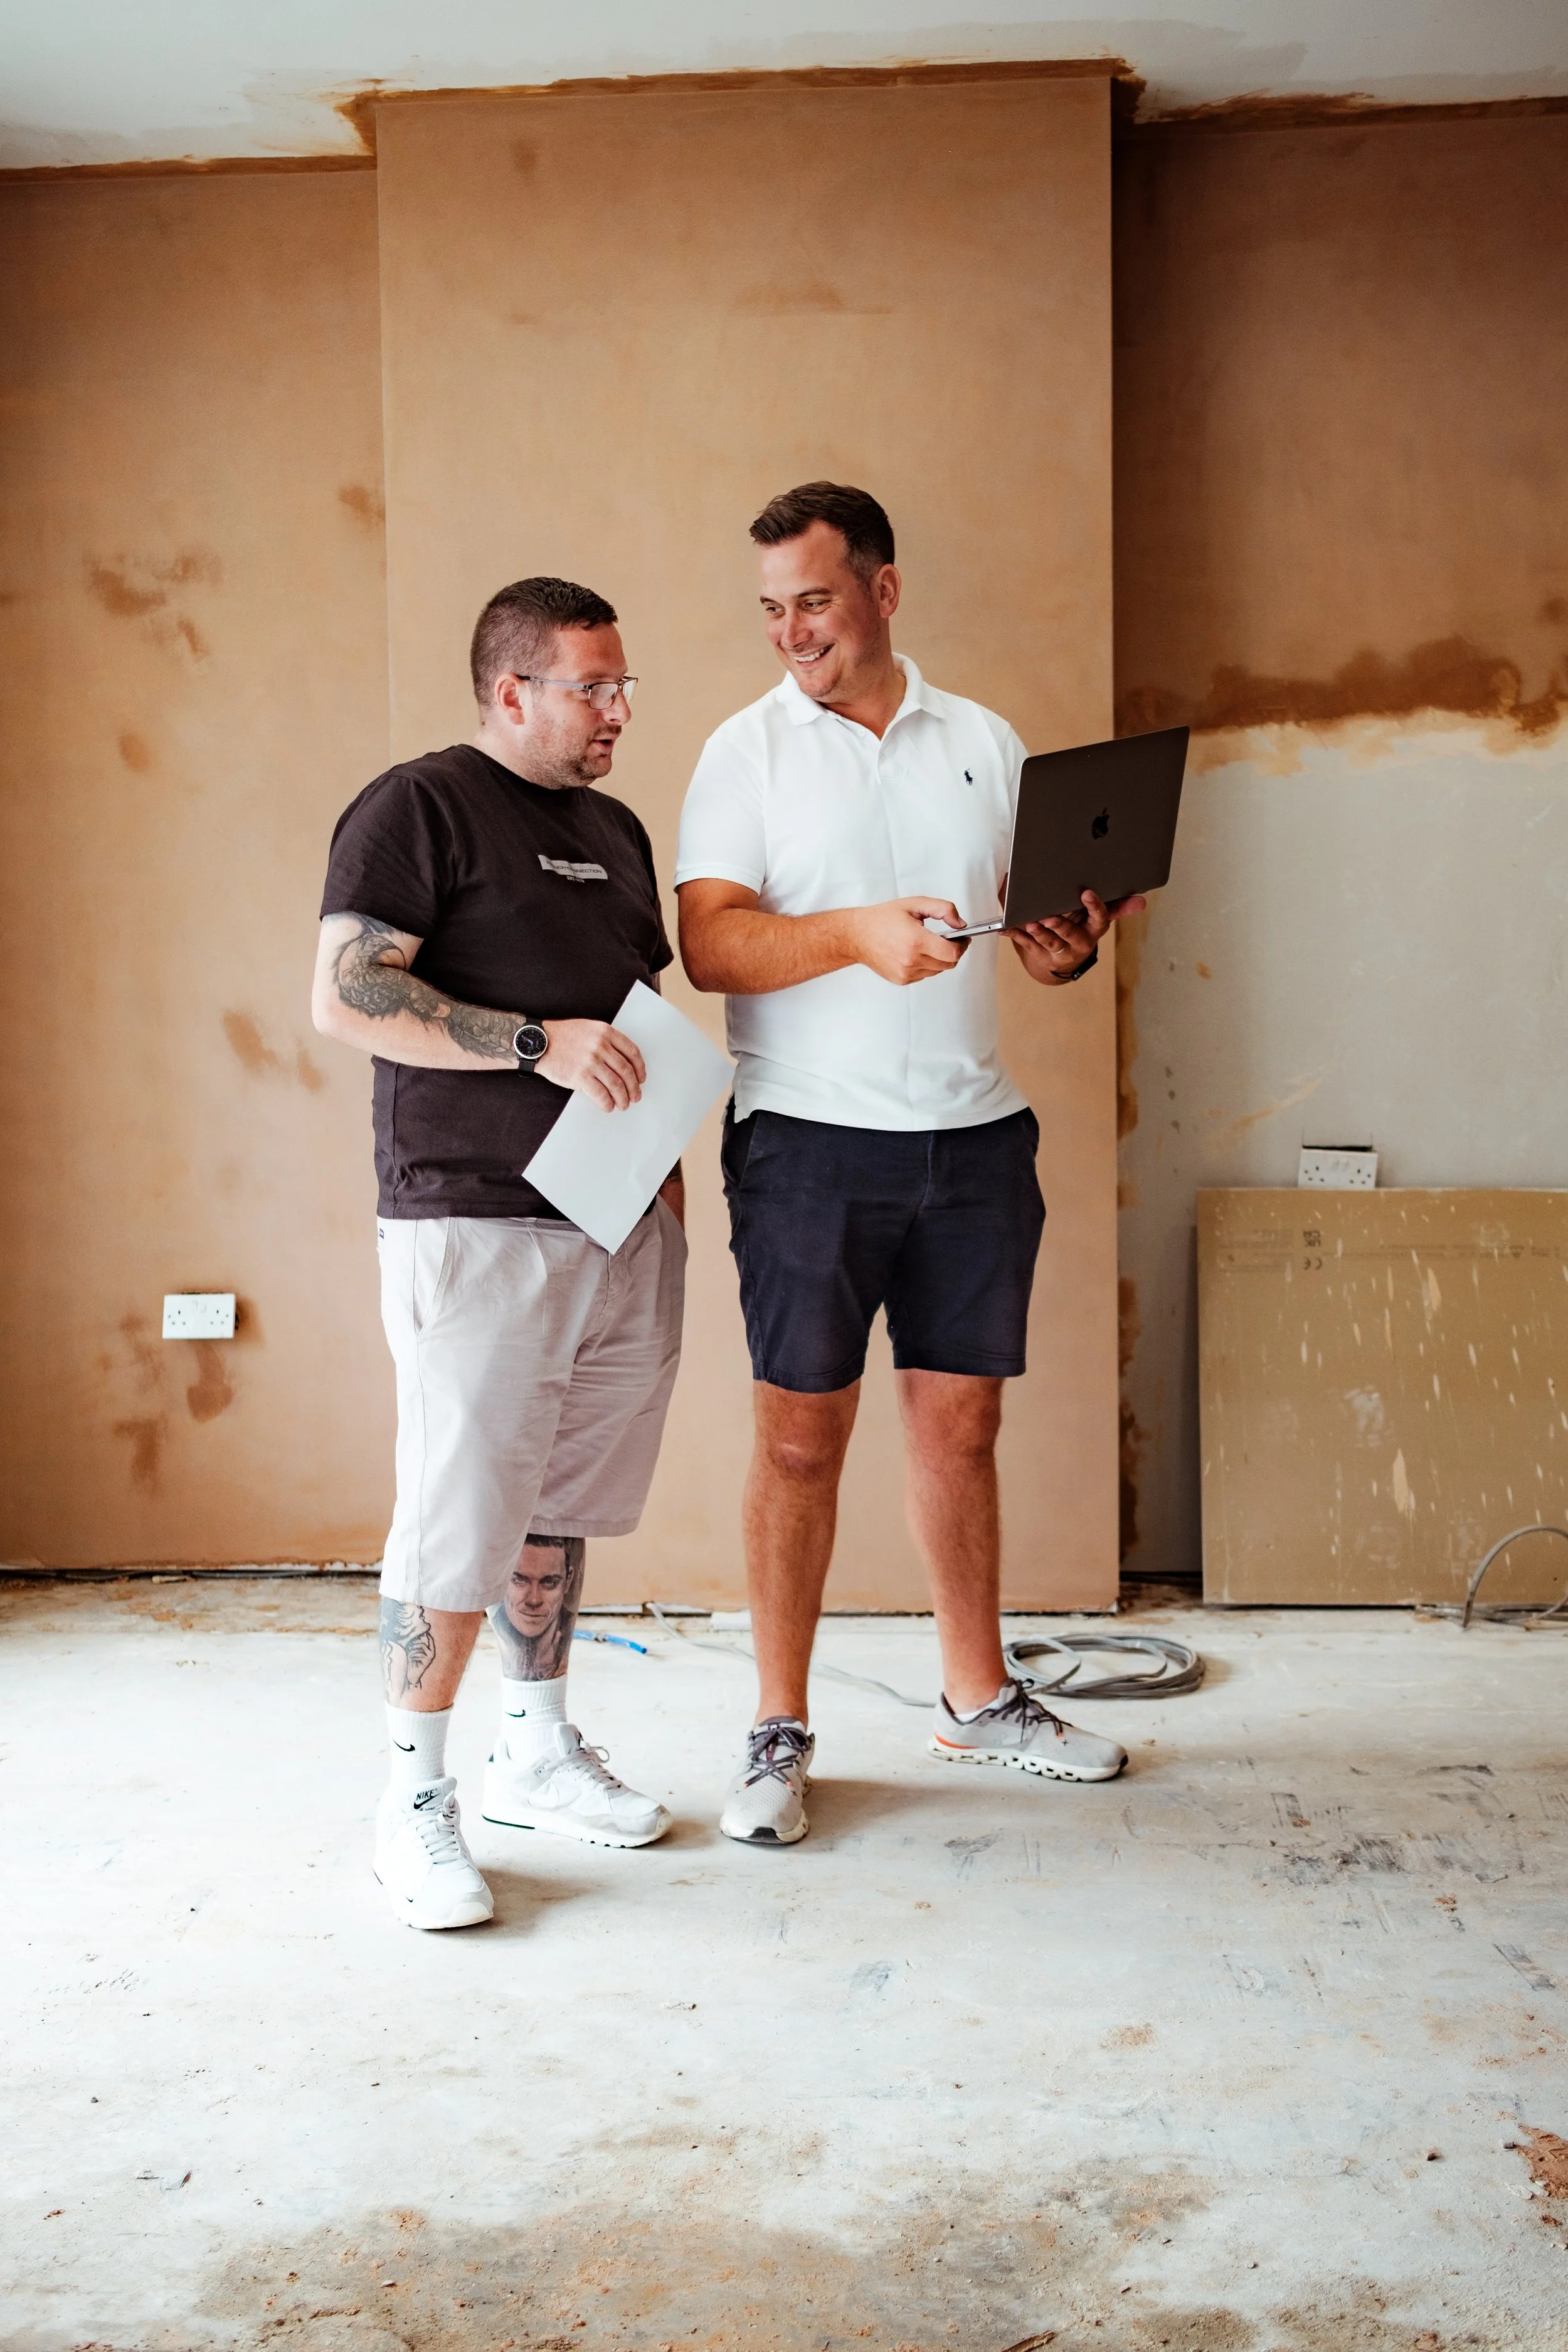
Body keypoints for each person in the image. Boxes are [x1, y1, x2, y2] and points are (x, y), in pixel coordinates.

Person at [675, 483, 1143, 1846]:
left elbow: (1034, 917)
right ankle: (776, 1726)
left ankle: (976, 1695)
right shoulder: (741, 754)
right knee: (798, 1439)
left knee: (959, 1431)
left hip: (974, 1139)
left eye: (812, 601)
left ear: (883, 591)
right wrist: (852, 935)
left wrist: (1071, 946)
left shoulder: (982, 741)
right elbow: (711, 946)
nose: (789, 634)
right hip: (806, 1146)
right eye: (769, 610)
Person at [313, 576, 686, 1929]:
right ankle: (410, 1800)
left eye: (623, 685)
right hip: (471, 1217)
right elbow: (349, 992)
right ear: (510, 688)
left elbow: (640, 1027)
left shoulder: (617, 831)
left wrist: (663, 1198)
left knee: (552, 1506)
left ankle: (535, 1748)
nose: (617, 712)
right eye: (594, 686)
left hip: (617, 1222)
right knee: (457, 1512)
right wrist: (533, 1042)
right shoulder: (418, 805)